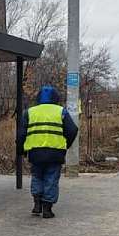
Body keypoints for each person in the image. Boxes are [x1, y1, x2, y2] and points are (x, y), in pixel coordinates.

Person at [17, 84, 78, 219]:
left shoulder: (29, 112)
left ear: (38, 98)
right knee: (51, 178)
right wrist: (65, 144)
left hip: (35, 152)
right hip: (55, 152)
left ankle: (37, 203)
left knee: (37, 176)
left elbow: (21, 134)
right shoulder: (61, 111)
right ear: (55, 97)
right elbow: (73, 130)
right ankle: (47, 209)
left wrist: (21, 150)